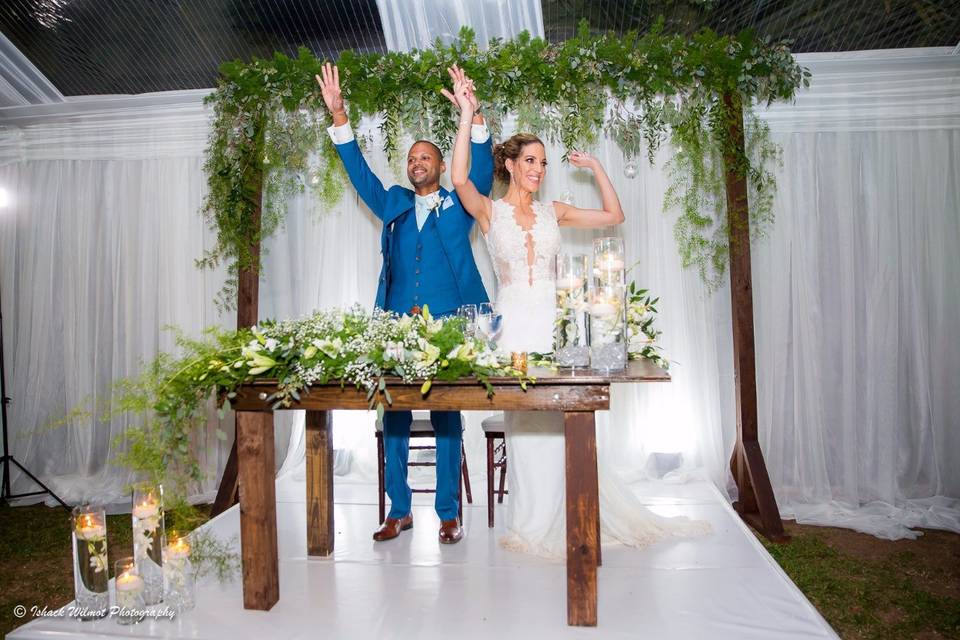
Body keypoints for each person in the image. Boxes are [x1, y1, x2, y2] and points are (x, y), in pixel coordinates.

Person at [448, 72, 710, 557]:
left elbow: (614, 216)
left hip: (554, 326)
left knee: (568, 421)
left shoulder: (556, 211)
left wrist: (595, 168)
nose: (539, 170)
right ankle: (532, 525)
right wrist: (466, 116)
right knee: (525, 431)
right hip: (513, 332)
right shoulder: (489, 212)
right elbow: (459, 176)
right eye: (530, 161)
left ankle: (577, 514)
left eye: (543, 163)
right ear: (508, 163)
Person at [316, 63, 494, 545]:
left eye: (426, 157)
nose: (417, 162)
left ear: (440, 165)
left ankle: (448, 513)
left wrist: (472, 116)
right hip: (393, 328)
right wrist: (339, 117)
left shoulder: (460, 203)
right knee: (390, 415)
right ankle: (398, 509)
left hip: (449, 328)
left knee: (447, 416)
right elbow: (360, 175)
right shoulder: (392, 202)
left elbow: (481, 170)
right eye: (412, 158)